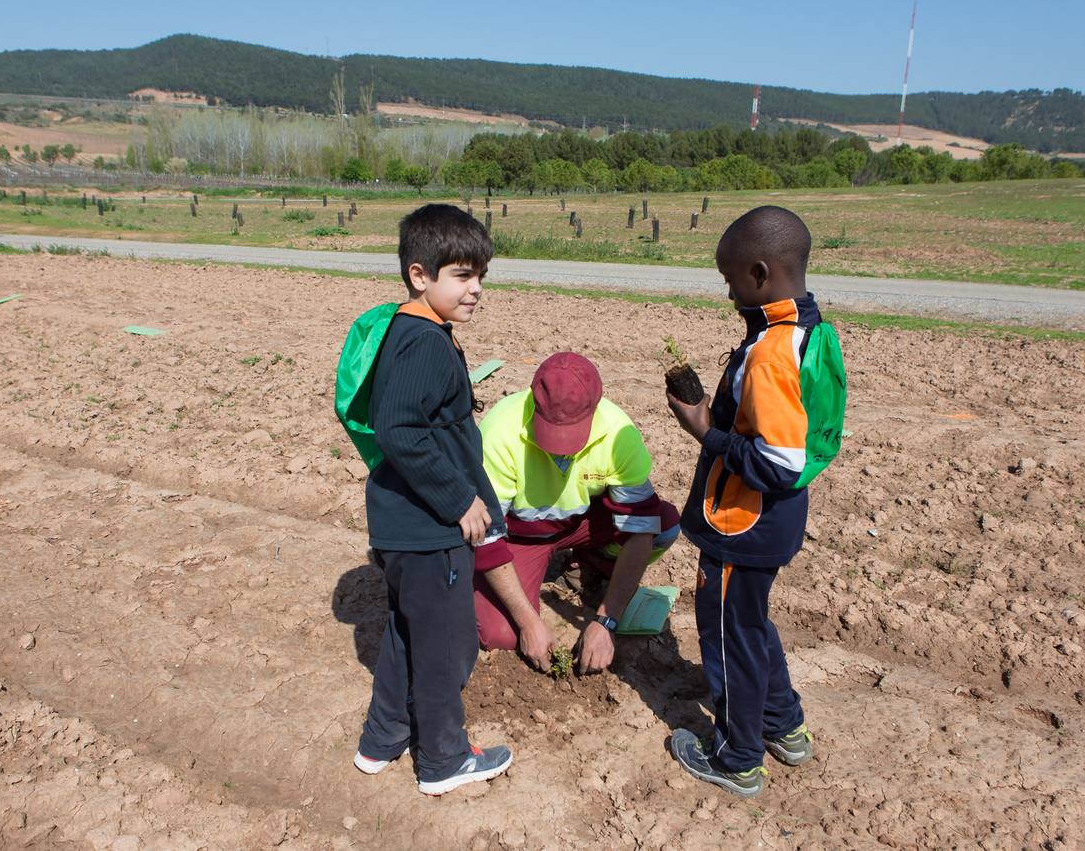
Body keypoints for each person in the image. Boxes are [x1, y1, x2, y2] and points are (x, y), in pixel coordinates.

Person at [353, 204, 514, 796]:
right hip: (428, 528)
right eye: (461, 276)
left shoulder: (408, 328)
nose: (475, 290)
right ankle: (445, 758)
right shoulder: (424, 342)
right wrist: (459, 500)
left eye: (481, 276)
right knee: (446, 645)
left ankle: (383, 739)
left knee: (404, 630)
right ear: (420, 276)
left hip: (400, 525)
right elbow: (400, 430)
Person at [665, 205, 825, 798]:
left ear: (759, 273)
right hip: (773, 526)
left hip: (742, 524)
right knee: (751, 625)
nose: (728, 292)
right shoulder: (809, 332)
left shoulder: (772, 351)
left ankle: (737, 758)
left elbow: (778, 462)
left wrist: (704, 430)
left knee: (729, 636)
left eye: (731, 280)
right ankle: (785, 728)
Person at [474, 352, 680, 673]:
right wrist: (529, 621)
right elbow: (486, 539)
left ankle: (586, 568)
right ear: (534, 403)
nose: (559, 448)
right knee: (500, 633)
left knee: (663, 525)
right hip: (522, 533)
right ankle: (541, 570)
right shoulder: (499, 431)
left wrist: (605, 622)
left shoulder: (619, 434)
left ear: (595, 410)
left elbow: (641, 528)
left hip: (581, 522)